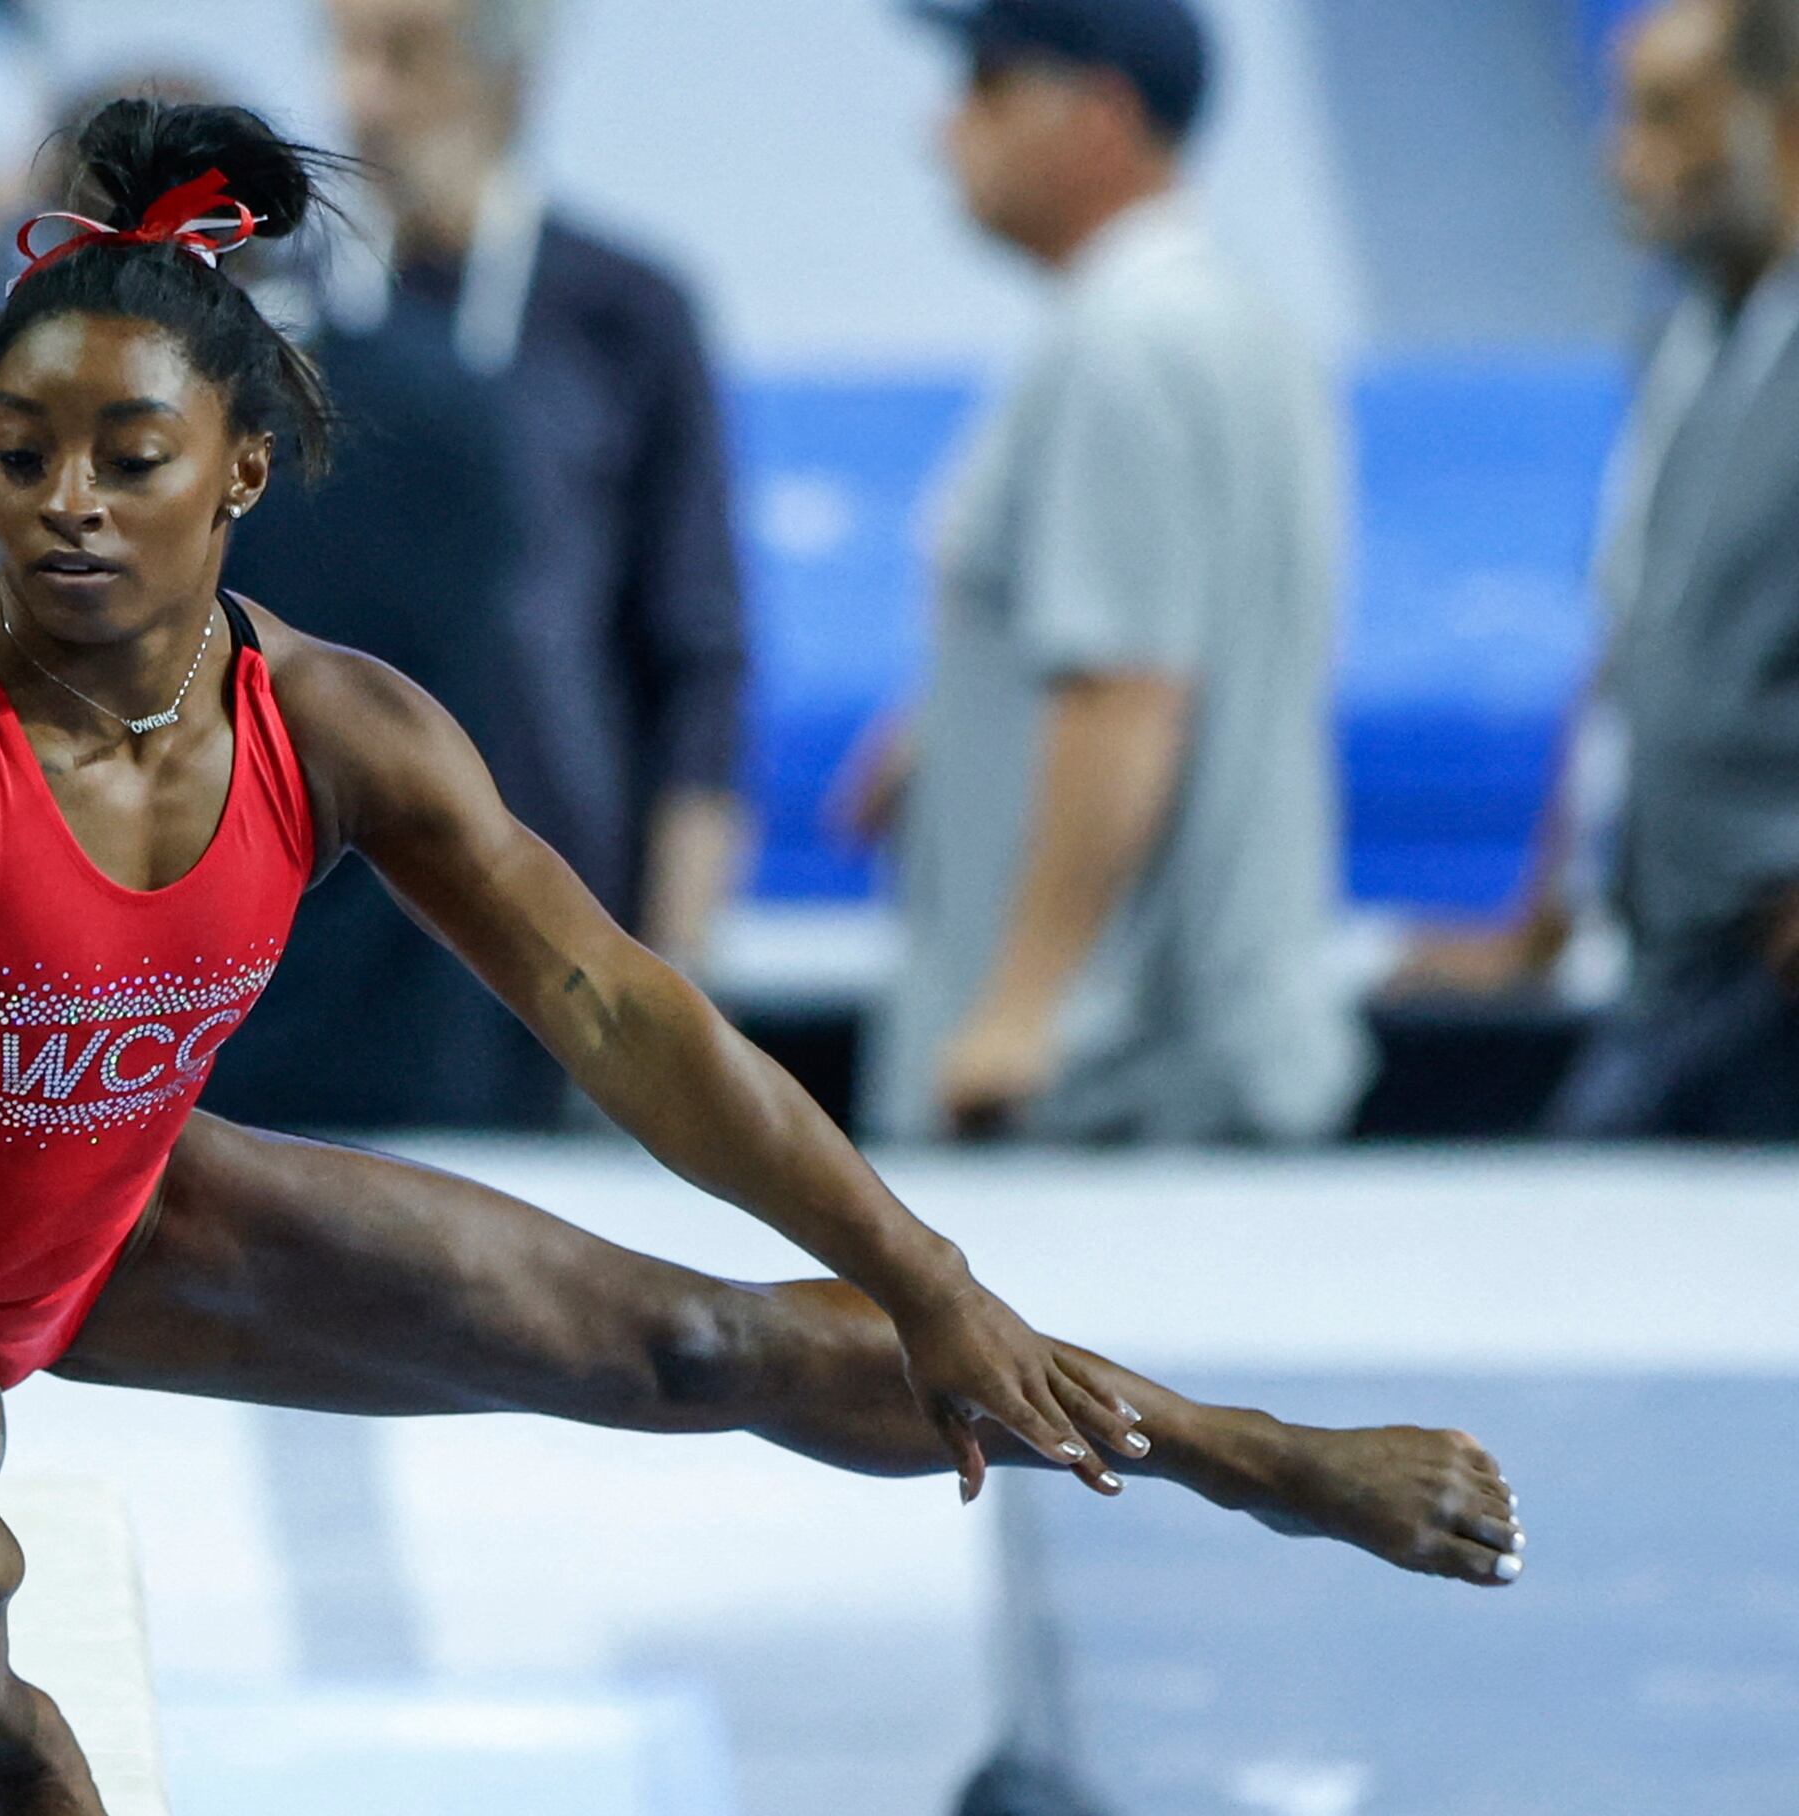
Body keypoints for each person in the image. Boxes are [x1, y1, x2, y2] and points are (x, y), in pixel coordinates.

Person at [0, 102, 1521, 1816]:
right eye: (20, 452)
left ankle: (1249, 1457)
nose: (66, 502)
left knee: (697, 1347)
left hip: (126, 1216)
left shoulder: (346, 735)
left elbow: (627, 1015)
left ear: (241, 477)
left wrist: (922, 1275)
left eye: (127, 456)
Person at [847, 0, 1366, 1144]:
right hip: (1211, 1048)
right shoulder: (1240, 327)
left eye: (987, 83)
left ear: (1100, 115)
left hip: (1116, 1084)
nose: (946, 129)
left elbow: (1125, 692)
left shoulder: (1118, 350)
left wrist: (1020, 1013)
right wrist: (940, 734)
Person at [1408, 0, 1799, 1137]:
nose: (1623, 157)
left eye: (1669, 115)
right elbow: (1633, 650)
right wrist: (1538, 919)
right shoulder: (1684, 342)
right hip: (1676, 956)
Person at [319, 0, 750, 980]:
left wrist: (677, 961)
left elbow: (696, 647)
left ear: (511, 81)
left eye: (407, 57)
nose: (361, 99)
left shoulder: (623, 314)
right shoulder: (283, 315)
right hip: (316, 925)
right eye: (344, 53)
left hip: (548, 902)